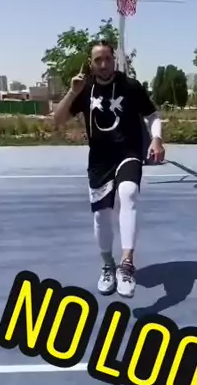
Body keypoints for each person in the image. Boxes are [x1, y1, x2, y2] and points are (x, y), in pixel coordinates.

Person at [53, 40, 165, 298]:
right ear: (91, 63)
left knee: (128, 193)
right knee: (101, 216)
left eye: (107, 59)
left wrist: (157, 139)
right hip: (99, 159)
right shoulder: (84, 89)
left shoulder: (130, 86)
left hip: (128, 153)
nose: (103, 64)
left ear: (114, 60)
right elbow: (57, 120)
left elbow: (152, 115)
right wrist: (72, 92)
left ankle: (126, 265)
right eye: (98, 60)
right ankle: (108, 265)